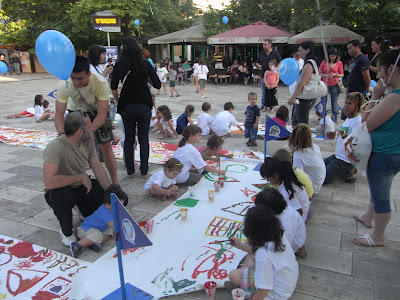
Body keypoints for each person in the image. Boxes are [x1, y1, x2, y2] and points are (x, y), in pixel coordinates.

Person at [44, 111, 127, 246]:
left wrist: (112, 195)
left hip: (82, 186)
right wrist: (80, 177)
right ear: (80, 131)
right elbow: (49, 182)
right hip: (59, 190)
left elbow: (98, 169)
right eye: (89, 126)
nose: (92, 128)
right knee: (63, 197)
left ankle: (82, 208)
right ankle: (66, 231)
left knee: (107, 202)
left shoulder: (87, 142)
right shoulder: (56, 146)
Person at [353, 50, 400, 247]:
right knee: (378, 189)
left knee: (381, 196)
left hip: (384, 154)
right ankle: (367, 216)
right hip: (391, 152)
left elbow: (366, 123)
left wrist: (375, 95)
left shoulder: (394, 97)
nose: (378, 76)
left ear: (391, 68)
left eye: (380, 70)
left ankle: (377, 236)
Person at [55, 55, 119, 184]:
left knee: (106, 146)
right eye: (73, 78)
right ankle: (77, 182)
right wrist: (62, 135)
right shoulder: (65, 84)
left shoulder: (100, 82)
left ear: (89, 74)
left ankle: (115, 182)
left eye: (80, 78)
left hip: (97, 112)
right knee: (75, 147)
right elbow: (59, 114)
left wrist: (89, 131)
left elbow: (102, 114)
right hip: (76, 113)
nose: (77, 82)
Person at [111, 36, 161, 179]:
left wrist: (118, 100)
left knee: (129, 138)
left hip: (127, 106)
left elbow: (113, 87)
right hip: (144, 105)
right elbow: (157, 84)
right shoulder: (145, 64)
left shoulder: (119, 65)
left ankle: (130, 171)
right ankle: (144, 171)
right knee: (144, 139)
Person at [226, 206, 298, 300]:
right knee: (250, 256)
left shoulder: (263, 255)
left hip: (276, 295)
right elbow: (256, 251)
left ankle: (244, 285)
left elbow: (263, 289)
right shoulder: (277, 236)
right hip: (286, 283)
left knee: (233, 275)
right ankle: (244, 279)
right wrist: (239, 245)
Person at [69, 184, 128, 257]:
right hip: (85, 230)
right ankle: (77, 245)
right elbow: (116, 227)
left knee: (109, 231)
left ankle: (93, 243)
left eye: (121, 205)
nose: (120, 208)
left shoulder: (111, 208)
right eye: (118, 206)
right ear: (107, 206)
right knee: (99, 234)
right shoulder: (106, 213)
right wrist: (128, 231)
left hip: (98, 228)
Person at [324, 92, 365, 184]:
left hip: (346, 160)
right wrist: (335, 135)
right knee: (318, 168)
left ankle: (349, 171)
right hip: (338, 156)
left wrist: (344, 136)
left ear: (357, 106)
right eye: (345, 103)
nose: (346, 106)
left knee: (322, 178)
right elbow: (343, 135)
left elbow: (356, 142)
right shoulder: (348, 119)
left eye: (349, 103)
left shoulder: (358, 122)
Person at [255, 188, 306, 252]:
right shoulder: (279, 208)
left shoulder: (286, 222)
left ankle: (298, 251)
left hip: (293, 243)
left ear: (270, 209)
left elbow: (284, 245)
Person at [260, 157, 310, 221]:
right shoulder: (288, 179)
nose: (268, 181)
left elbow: (299, 212)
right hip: (300, 212)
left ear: (276, 176)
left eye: (268, 178)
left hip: (297, 221)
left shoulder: (287, 191)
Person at [289, 123, 326, 194]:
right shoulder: (314, 146)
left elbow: (298, 177)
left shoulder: (298, 155)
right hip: (319, 181)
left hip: (311, 188)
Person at [288, 41, 319, 126]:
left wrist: (293, 97)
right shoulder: (309, 63)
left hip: (306, 97)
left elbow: (303, 82)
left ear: (307, 50)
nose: (299, 53)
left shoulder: (309, 64)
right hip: (304, 97)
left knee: (301, 123)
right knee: (296, 121)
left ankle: (303, 138)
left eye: (301, 50)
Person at [256, 39, 282, 110]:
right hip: (264, 74)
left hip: (273, 75)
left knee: (272, 91)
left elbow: (280, 61)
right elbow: (257, 62)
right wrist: (258, 65)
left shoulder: (275, 53)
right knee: (264, 90)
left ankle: (271, 105)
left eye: (265, 45)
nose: (264, 46)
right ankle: (264, 104)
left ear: (269, 45)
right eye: (263, 44)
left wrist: (277, 68)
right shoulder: (261, 54)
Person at [319, 48, 344, 123]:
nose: (332, 58)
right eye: (331, 56)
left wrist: (335, 74)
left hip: (334, 84)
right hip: (325, 84)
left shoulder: (339, 63)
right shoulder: (324, 62)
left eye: (333, 56)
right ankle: (322, 118)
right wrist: (326, 75)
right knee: (323, 102)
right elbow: (319, 72)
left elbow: (342, 74)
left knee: (334, 103)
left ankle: (334, 120)